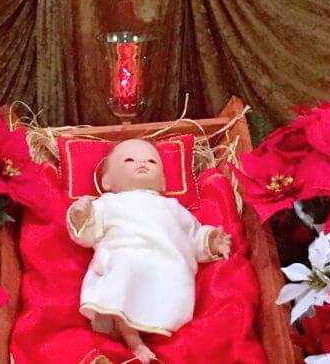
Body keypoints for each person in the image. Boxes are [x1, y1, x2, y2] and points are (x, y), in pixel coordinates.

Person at [67, 139, 231, 363]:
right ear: (107, 181)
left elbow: (193, 235)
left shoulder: (173, 207)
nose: (141, 163)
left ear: (163, 181)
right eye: (129, 160)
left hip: (168, 264)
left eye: (151, 161)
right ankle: (134, 341)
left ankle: (150, 336)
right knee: (126, 265)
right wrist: (80, 215)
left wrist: (211, 241)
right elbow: (86, 236)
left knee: (172, 274)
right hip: (125, 256)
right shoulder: (107, 203)